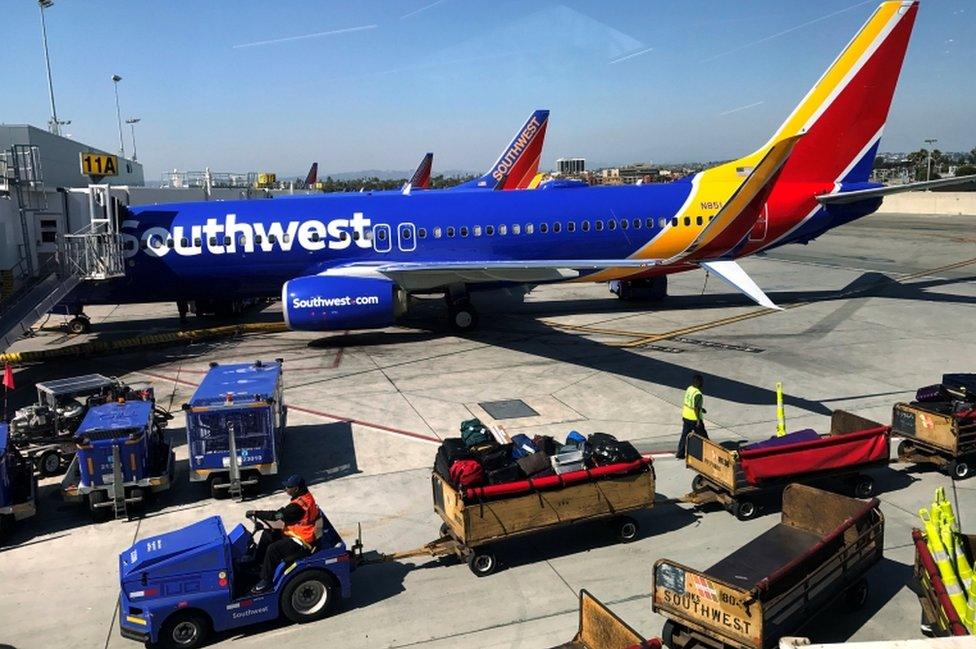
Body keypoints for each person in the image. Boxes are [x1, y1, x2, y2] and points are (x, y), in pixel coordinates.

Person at [246, 475, 324, 594]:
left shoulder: (296, 508)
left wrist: (256, 513)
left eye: (288, 487)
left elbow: (276, 516)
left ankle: (266, 581)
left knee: (273, 549)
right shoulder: (304, 496)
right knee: (268, 534)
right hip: (296, 532)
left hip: (301, 541)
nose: (286, 489)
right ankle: (258, 564)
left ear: (296, 489)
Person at [675, 374, 707, 460]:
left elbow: (691, 404)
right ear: (699, 383)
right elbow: (695, 408)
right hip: (693, 418)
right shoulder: (698, 394)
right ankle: (708, 454)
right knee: (704, 437)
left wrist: (701, 409)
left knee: (684, 435)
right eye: (702, 382)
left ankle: (680, 454)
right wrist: (698, 420)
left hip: (686, 416)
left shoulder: (689, 389)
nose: (703, 383)